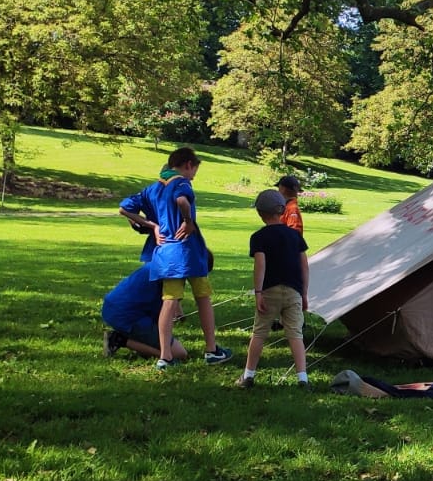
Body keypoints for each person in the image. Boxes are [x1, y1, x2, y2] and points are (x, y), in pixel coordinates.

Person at [124, 147, 230, 370]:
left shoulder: (152, 188)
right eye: (194, 170)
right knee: (203, 297)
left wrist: (152, 226)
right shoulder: (181, 182)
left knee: (169, 302)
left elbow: (124, 209)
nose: (193, 175)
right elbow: (182, 201)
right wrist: (188, 221)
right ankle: (212, 350)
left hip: (166, 253)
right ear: (188, 164)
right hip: (189, 252)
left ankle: (165, 357)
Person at [237, 190, 310, 389]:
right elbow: (304, 266)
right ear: (282, 210)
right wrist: (304, 293)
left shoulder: (259, 237)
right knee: (295, 334)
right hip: (294, 291)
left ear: (260, 213)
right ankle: (303, 378)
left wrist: (258, 292)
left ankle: (248, 376)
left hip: (269, 291)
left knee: (260, 332)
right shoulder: (295, 236)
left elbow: (260, 265)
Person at [101, 260, 194, 361]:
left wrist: (177, 311)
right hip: (127, 315)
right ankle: (118, 340)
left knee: (161, 340)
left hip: (111, 307)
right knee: (179, 353)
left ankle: (134, 342)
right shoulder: (174, 274)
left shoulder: (162, 261)